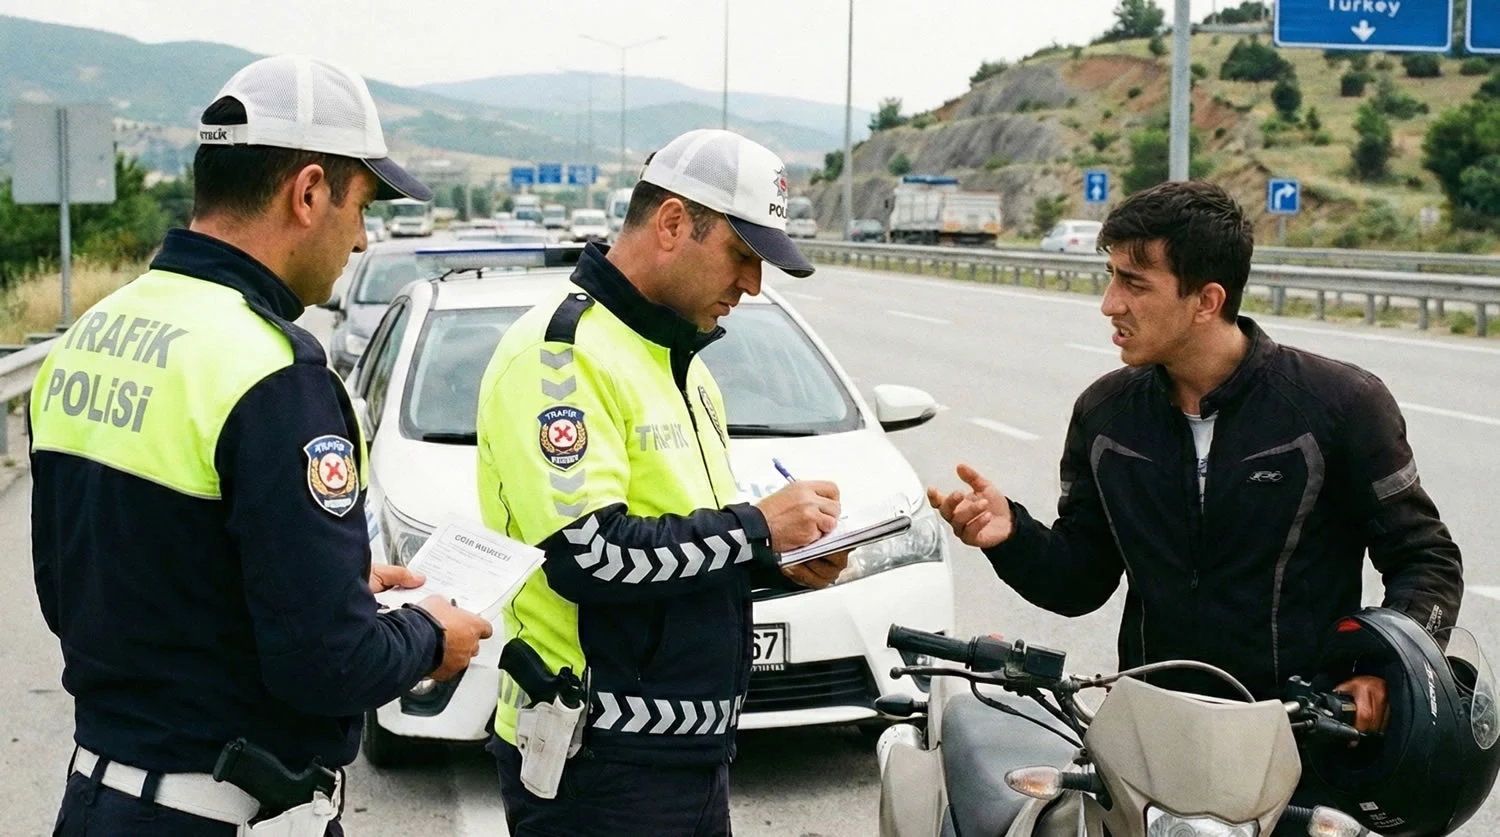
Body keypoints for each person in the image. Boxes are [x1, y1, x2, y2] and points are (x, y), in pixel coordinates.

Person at [29, 55, 493, 836]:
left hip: (98, 798)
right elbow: (329, 663)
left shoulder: (91, 334)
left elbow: (87, 582)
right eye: (361, 206)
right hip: (228, 809)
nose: (362, 238)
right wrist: (427, 635)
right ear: (307, 193)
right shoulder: (274, 373)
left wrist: (323, 577)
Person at [928, 180, 1463, 752]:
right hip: (1155, 738)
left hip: (1305, 738)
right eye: (1111, 276)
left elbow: (1425, 558)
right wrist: (1011, 534)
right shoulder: (1105, 414)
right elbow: (1080, 582)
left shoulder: (1340, 404)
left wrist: (1388, 668)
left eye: (1134, 283)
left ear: (1207, 301)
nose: (1110, 303)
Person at [475, 128, 849, 837]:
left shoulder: (684, 363)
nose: (753, 285)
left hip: (690, 753)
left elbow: (683, 547)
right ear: (673, 223)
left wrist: (779, 559)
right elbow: (589, 554)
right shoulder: (561, 355)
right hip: (596, 757)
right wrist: (757, 527)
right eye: (742, 255)